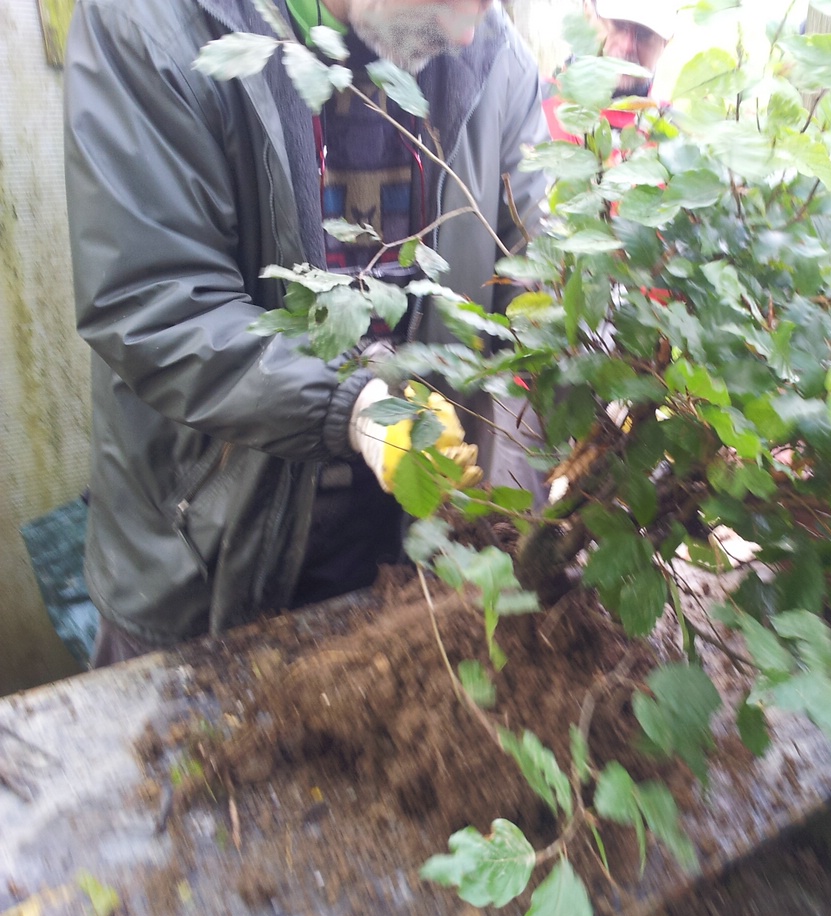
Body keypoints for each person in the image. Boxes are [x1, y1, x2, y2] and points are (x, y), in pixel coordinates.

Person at [63, 0, 548, 665]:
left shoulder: (495, 57)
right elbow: (155, 301)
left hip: (405, 551)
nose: (473, 31)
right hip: (207, 565)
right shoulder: (153, 20)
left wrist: (596, 358)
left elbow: (537, 266)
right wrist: (356, 404)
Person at [543, 0, 677, 141]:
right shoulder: (534, 106)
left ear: (666, 42)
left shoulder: (673, 136)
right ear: (587, 11)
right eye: (619, 24)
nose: (627, 46)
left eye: (645, 33)